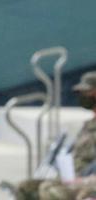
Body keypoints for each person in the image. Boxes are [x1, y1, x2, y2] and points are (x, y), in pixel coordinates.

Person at [17, 71, 96, 200]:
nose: (82, 96)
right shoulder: (88, 125)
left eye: (87, 92)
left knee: (50, 191)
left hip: (85, 182)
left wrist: (82, 181)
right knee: (24, 187)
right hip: (69, 178)